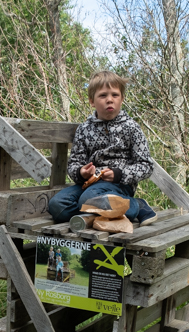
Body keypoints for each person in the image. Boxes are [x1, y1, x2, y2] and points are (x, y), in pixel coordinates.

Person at [48, 71, 157, 226]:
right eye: (103, 95)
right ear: (92, 101)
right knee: (58, 205)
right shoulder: (84, 129)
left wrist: (119, 174)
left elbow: (146, 166)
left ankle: (136, 205)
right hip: (88, 185)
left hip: (119, 186)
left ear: (122, 99)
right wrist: (81, 172)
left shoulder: (131, 128)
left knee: (89, 200)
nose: (109, 100)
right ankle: (101, 213)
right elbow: (74, 164)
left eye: (115, 95)